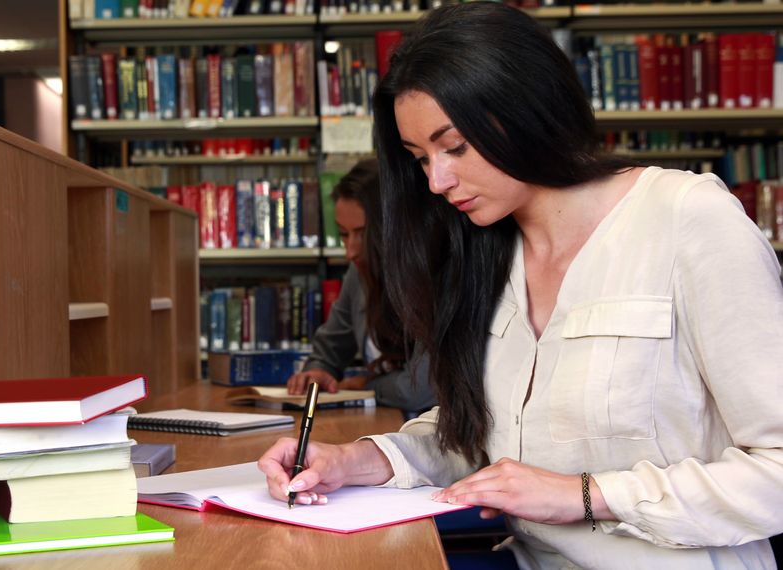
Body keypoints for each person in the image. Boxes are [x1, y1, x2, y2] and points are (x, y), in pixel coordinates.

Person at [258, 3, 783, 568]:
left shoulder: (687, 220)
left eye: (454, 146)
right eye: (419, 159)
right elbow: (481, 434)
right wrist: (351, 460)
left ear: (525, 106)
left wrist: (583, 495)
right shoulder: (485, 249)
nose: (437, 181)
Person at [284, 158, 436, 417]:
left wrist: (368, 386)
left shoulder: (438, 276)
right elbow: (330, 347)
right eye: (343, 234)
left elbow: (421, 388)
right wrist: (319, 370)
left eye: (363, 234)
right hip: (383, 424)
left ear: (396, 226)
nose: (350, 252)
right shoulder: (358, 273)